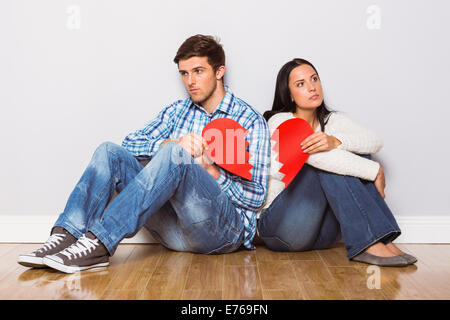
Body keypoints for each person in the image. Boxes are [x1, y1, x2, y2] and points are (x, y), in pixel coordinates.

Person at [18, 34, 271, 273]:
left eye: (198, 71)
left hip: (221, 233)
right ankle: (66, 236)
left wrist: (209, 170)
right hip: (173, 231)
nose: (190, 81)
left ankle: (99, 244)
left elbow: (256, 197)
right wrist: (168, 144)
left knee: (175, 153)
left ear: (219, 72)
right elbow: (130, 143)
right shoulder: (178, 111)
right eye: (184, 73)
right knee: (110, 151)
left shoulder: (249, 120)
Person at [257, 58, 417, 267]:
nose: (312, 87)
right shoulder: (280, 122)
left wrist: (337, 141)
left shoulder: (332, 121)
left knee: (355, 154)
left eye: (314, 79)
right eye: (301, 84)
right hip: (280, 229)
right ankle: (371, 242)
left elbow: (374, 141)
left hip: (321, 235)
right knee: (328, 165)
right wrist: (374, 170)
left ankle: (380, 239)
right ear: (290, 95)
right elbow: (314, 157)